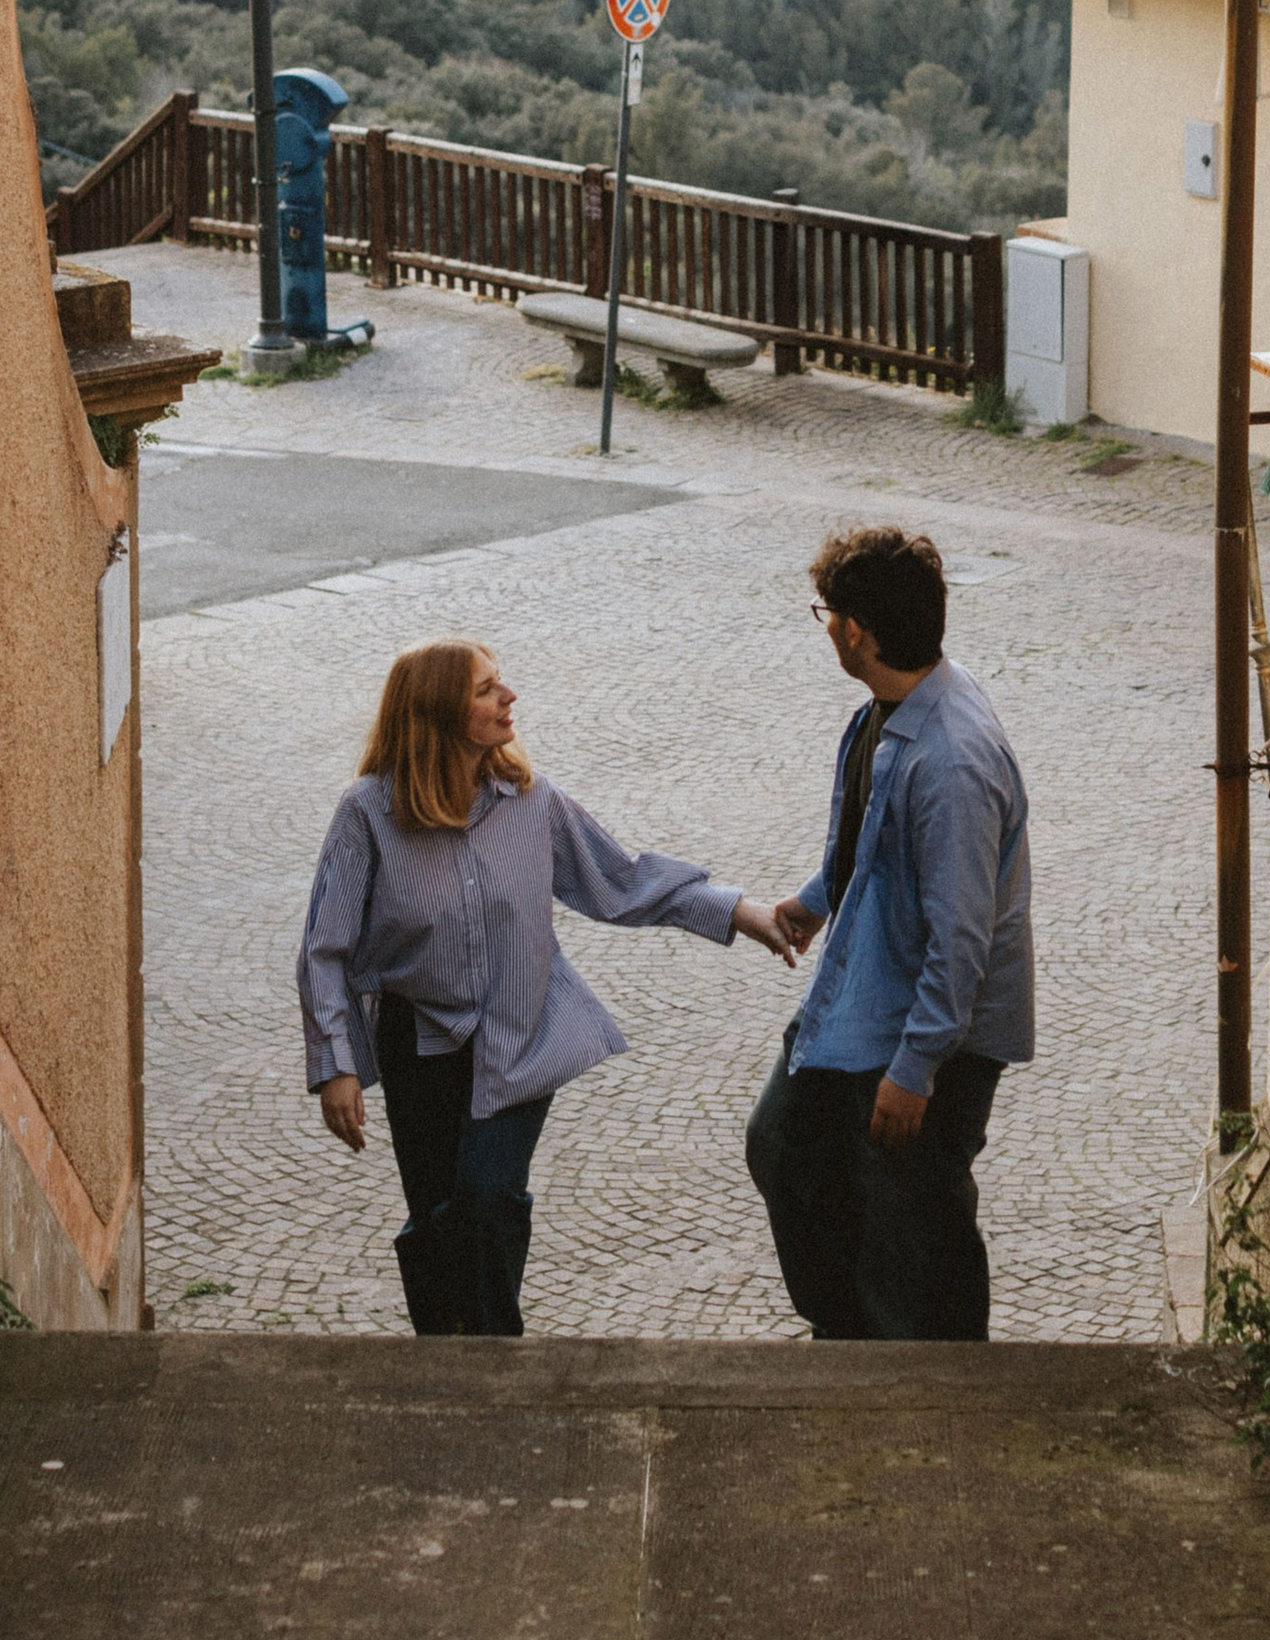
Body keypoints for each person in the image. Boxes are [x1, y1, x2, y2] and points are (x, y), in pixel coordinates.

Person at [298, 637, 791, 1335]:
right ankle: (445, 1353)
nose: (509, 698)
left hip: (520, 1032)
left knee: (488, 1196)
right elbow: (325, 947)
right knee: (439, 1215)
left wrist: (743, 913)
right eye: (485, 689)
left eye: (500, 683)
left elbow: (622, 880)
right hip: (418, 1044)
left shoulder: (531, 803)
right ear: (438, 712)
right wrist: (335, 1066)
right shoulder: (368, 814)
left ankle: (496, 1361)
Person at [744, 525, 1033, 1342]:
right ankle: (851, 1334)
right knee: (786, 1147)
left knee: (918, 1214)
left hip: (930, 1031)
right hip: (870, 990)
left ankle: (939, 1375)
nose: (825, 628)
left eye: (826, 615)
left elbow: (964, 941)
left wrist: (915, 1070)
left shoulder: (951, 761)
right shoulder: (901, 703)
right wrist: (817, 897)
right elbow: (875, 836)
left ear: (856, 633)